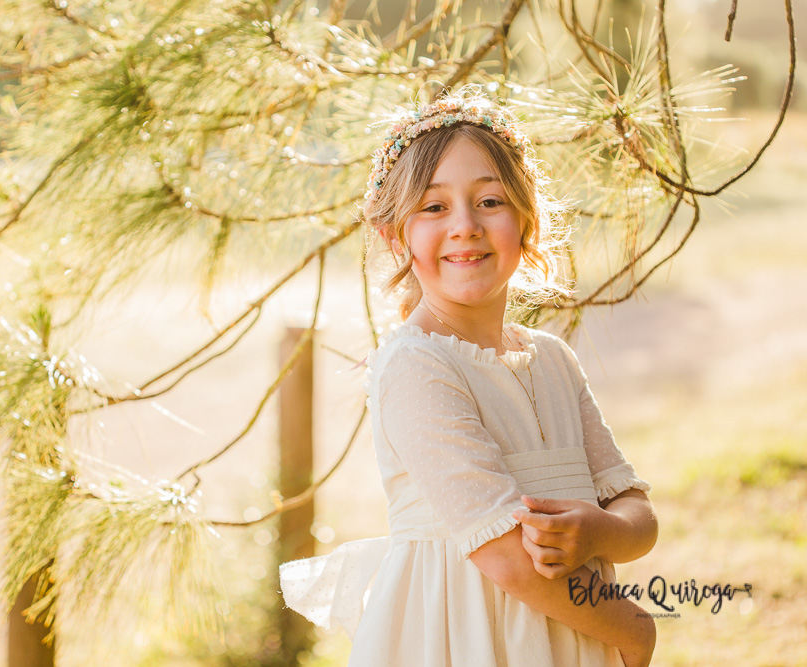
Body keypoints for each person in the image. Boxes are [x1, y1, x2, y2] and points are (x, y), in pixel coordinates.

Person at [279, 86, 659, 667]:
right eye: (433, 207)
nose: (465, 226)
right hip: (466, 638)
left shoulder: (553, 360)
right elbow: (506, 560)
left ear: (528, 221)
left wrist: (599, 531)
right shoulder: (416, 366)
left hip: (572, 634)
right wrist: (635, 630)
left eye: (490, 201)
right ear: (394, 235)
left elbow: (635, 511)